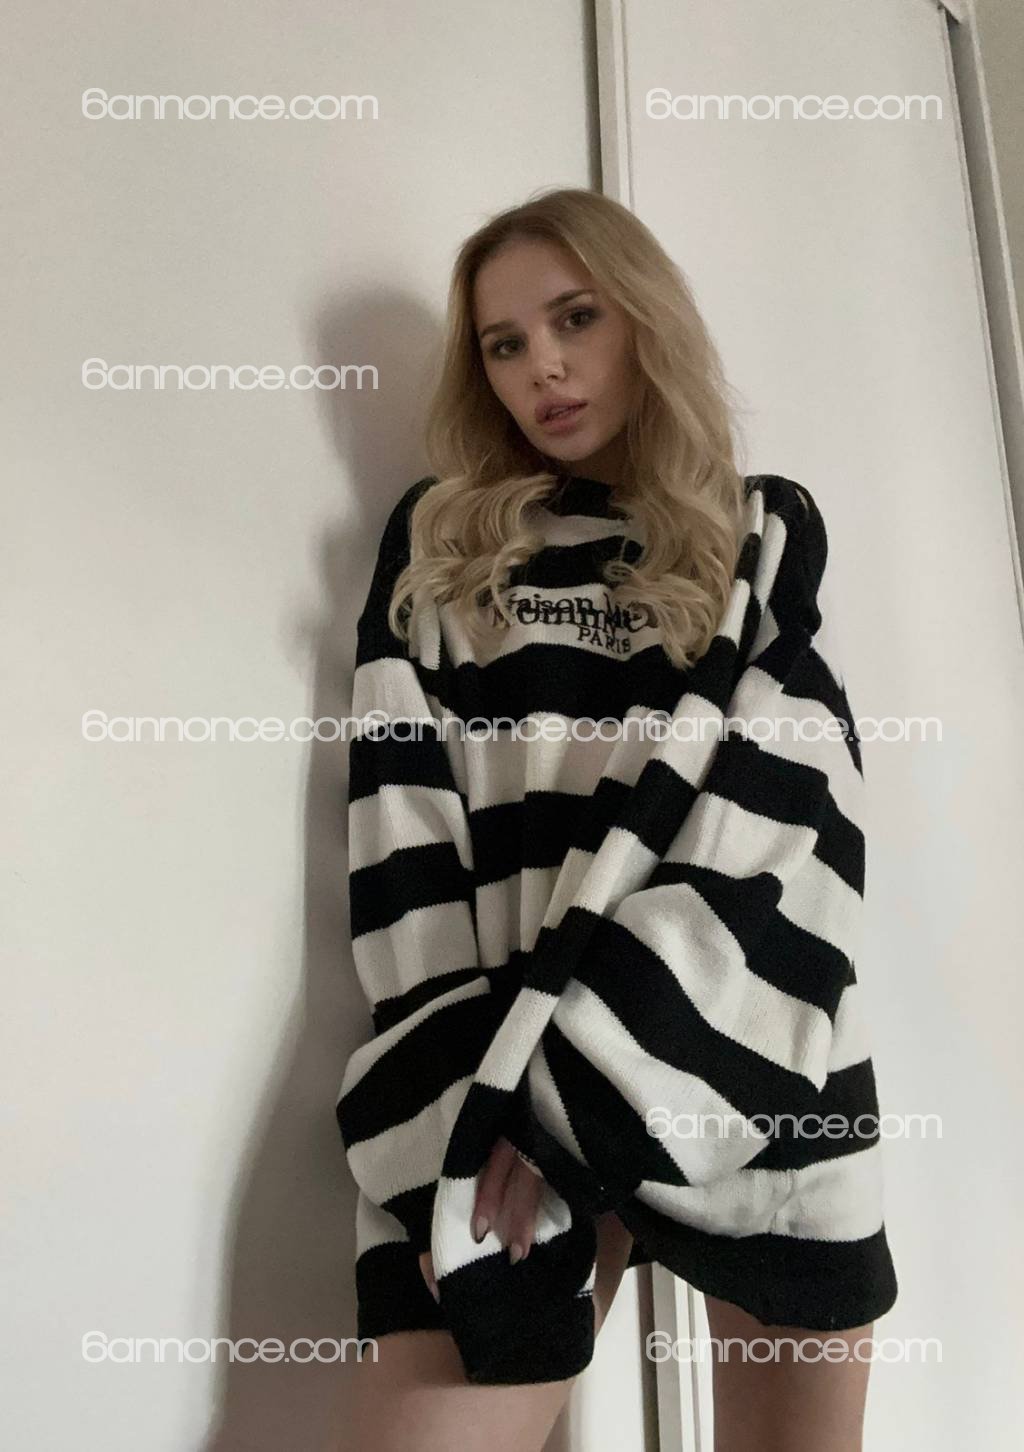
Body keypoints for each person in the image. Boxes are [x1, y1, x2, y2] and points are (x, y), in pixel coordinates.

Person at [335, 187, 896, 1451]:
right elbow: (400, 839)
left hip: (751, 1074)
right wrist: (479, 1118)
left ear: (644, 320)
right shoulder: (441, 554)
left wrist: (602, 1087)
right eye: (505, 343)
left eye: (574, 319)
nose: (543, 365)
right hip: (506, 1093)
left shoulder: (759, 541)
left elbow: (792, 824)